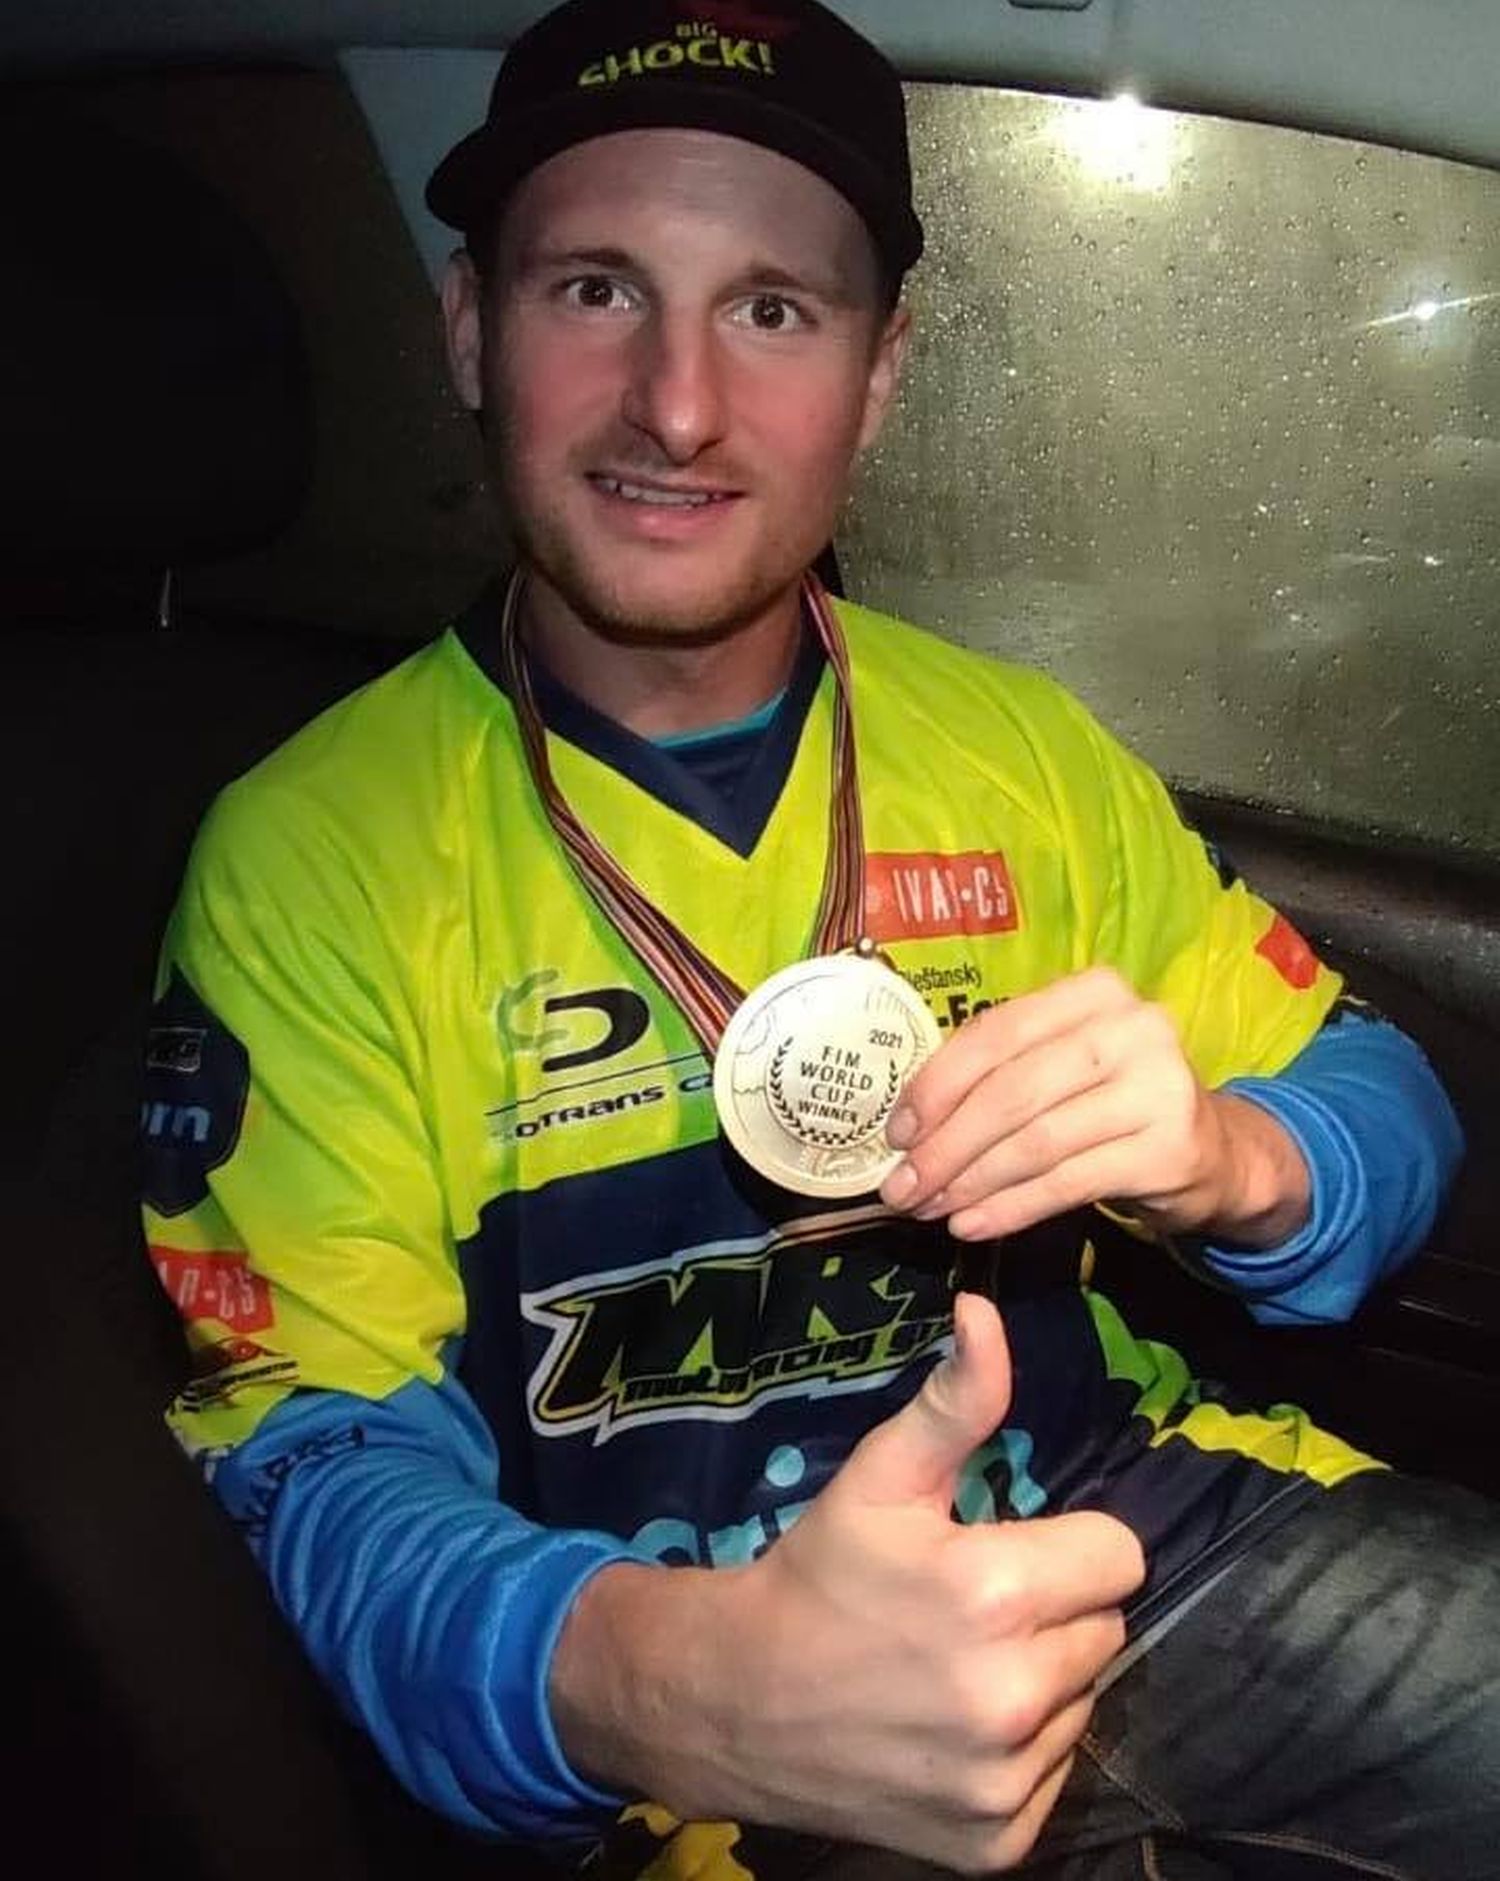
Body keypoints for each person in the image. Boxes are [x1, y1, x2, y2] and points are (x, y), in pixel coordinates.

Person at [140, 1, 1498, 1875]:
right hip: (709, 1732)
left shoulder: (1015, 750)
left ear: (879, 375)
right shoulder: (310, 857)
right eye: (596, 290)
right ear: (468, 330)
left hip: (1134, 1535)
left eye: (773, 310)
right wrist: (674, 1685)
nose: (679, 407)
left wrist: (1238, 1160)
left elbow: (1379, 1092)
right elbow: (316, 1461)